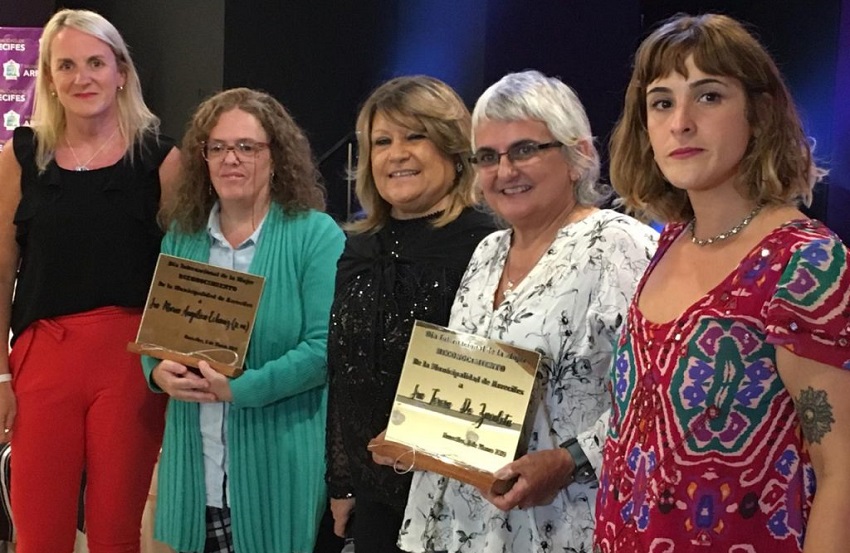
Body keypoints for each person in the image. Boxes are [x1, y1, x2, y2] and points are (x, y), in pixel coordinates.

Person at [594, 13, 850, 553]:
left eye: (708, 97)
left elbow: (841, 470)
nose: (680, 122)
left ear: (758, 113)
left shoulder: (804, 262)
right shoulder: (670, 241)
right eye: (661, 102)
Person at [393, 70, 658, 553]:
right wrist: (419, 424)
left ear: (577, 156)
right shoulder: (488, 252)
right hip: (465, 523)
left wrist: (570, 459)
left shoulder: (619, 245)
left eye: (524, 150)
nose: (505, 171)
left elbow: (655, 401)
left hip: (568, 522)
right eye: (488, 157)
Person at [0, 9, 180, 552]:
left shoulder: (160, 159)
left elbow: (186, 270)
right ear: (50, 80)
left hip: (130, 361)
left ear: (120, 70)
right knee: (38, 529)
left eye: (96, 62)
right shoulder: (21, 156)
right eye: (67, 65)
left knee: (115, 530)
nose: (83, 78)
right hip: (42, 358)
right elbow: (0, 268)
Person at [142, 87, 344, 553]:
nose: (231, 159)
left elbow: (322, 349)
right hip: (197, 470)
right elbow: (158, 336)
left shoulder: (315, 235)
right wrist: (157, 371)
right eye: (218, 147)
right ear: (204, 159)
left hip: (279, 469)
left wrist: (242, 388)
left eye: (247, 147)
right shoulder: (183, 237)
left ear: (276, 156)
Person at [324, 75, 497, 553]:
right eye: (382, 141)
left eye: (414, 136)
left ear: (453, 148)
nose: (395, 153)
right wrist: (343, 482)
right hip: (375, 488)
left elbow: (492, 375)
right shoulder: (356, 247)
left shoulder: (489, 241)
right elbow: (343, 370)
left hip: (457, 492)